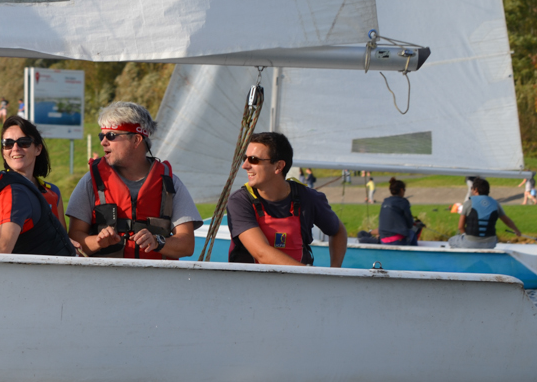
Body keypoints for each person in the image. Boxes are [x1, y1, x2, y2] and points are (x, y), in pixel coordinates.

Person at [67, 101, 201, 259]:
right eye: (102, 136)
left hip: (154, 274)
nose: (103, 142)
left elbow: (187, 245)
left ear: (137, 140)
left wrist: (157, 242)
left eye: (111, 136)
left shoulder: (170, 183)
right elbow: (73, 240)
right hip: (107, 274)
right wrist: (98, 241)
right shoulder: (91, 181)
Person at [226, 132, 347, 267]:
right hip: (252, 281)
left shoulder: (309, 198)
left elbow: (338, 231)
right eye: (245, 158)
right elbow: (261, 253)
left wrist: (335, 270)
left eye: (253, 159)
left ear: (278, 166)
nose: (245, 166)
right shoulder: (239, 201)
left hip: (300, 280)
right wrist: (309, 275)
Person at [0, 115, 66, 229]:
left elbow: (63, 237)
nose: (15, 148)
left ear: (38, 149)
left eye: (24, 142)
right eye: (8, 143)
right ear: (3, 152)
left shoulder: (53, 192)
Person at [449, 177, 520, 249]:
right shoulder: (495, 203)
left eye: (472, 188)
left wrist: (465, 236)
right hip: (491, 243)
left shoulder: (468, 203)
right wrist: (516, 230)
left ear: (476, 189)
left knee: (451, 240)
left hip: (471, 243)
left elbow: (460, 227)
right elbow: (507, 221)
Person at [377, 178, 419, 245]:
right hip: (397, 240)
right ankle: (414, 251)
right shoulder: (403, 202)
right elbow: (409, 224)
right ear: (401, 190)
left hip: (383, 240)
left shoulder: (385, 202)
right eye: (404, 190)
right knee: (412, 233)